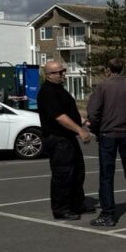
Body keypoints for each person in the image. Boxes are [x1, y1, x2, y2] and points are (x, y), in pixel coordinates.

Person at [85, 58, 126, 227]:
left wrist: (97, 129)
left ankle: (108, 214)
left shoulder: (102, 87)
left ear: (108, 70)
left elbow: (93, 113)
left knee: (107, 176)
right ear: (123, 69)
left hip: (108, 135)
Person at [36, 60, 92, 220]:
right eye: (59, 72)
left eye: (63, 71)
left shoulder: (59, 90)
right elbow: (59, 117)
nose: (63, 74)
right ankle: (61, 209)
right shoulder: (47, 92)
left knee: (77, 172)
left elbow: (70, 112)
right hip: (58, 139)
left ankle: (76, 204)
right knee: (63, 175)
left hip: (67, 138)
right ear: (48, 75)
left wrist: (85, 121)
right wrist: (80, 130)